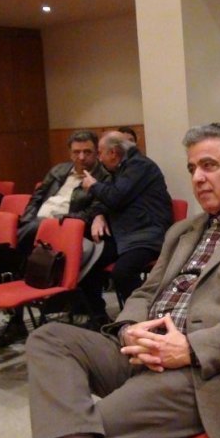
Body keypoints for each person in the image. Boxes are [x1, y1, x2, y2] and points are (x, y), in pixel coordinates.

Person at [26, 123, 220, 438]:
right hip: (145, 350)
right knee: (50, 338)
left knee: (87, 431)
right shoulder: (182, 231)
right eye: (192, 168)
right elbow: (146, 293)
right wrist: (129, 330)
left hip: (206, 370)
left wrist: (188, 348)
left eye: (209, 165)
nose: (198, 178)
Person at [0, 130, 110, 347]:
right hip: (36, 229)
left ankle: (15, 316)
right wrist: (27, 221)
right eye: (76, 152)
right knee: (22, 239)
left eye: (87, 152)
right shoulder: (58, 171)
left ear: (97, 152)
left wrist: (55, 223)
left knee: (12, 253)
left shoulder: (102, 177)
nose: (82, 157)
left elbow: (92, 212)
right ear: (69, 152)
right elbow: (35, 200)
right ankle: (16, 314)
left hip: (66, 230)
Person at [81, 131, 173, 307]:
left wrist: (93, 185)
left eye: (100, 153)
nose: (99, 158)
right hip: (124, 234)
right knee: (87, 262)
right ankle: (97, 314)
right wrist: (98, 216)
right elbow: (106, 199)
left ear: (113, 153)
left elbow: (115, 197)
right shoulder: (119, 169)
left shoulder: (139, 166)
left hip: (147, 234)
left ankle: (143, 314)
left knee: (123, 273)